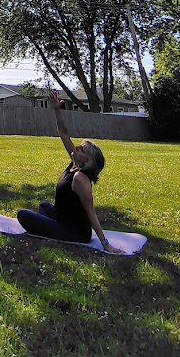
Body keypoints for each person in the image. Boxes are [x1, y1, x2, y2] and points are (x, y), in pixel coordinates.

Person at [16, 89, 124, 254]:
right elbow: (64, 133)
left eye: (81, 149)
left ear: (87, 161)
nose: (77, 147)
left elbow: (90, 212)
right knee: (44, 206)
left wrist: (106, 244)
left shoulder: (80, 178)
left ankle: (54, 231)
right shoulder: (74, 163)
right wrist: (56, 109)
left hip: (76, 232)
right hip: (63, 219)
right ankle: (51, 227)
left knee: (23, 215)